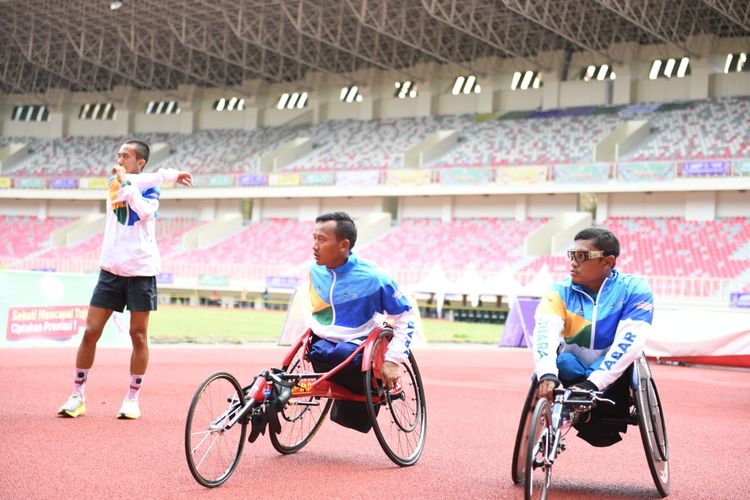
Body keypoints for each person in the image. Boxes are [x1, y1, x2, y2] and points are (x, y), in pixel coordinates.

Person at [57, 139, 193, 420]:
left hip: (141, 271)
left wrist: (163, 177)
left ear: (140, 161)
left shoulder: (149, 188)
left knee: (138, 336)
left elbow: (144, 212)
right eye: (119, 155)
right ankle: (77, 395)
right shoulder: (115, 182)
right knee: (90, 331)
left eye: (126, 156)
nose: (119, 160)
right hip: (111, 270)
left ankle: (132, 398)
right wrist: (168, 175)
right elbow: (131, 189)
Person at [532, 226, 654, 446]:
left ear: (607, 262)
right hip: (570, 372)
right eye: (572, 255)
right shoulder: (557, 292)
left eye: (582, 256)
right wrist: (547, 374)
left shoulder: (635, 288)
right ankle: (570, 413)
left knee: (622, 361)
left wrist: (594, 383)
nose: (573, 262)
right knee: (564, 361)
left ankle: (580, 408)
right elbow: (545, 334)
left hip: (613, 381)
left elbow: (630, 342)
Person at [307, 211, 416, 432]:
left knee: (341, 355)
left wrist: (393, 360)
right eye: (314, 238)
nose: (314, 246)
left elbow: (405, 315)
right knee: (315, 351)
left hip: (359, 345)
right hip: (325, 341)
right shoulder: (314, 271)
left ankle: (367, 397)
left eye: (322, 239)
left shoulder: (375, 278)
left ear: (343, 245)